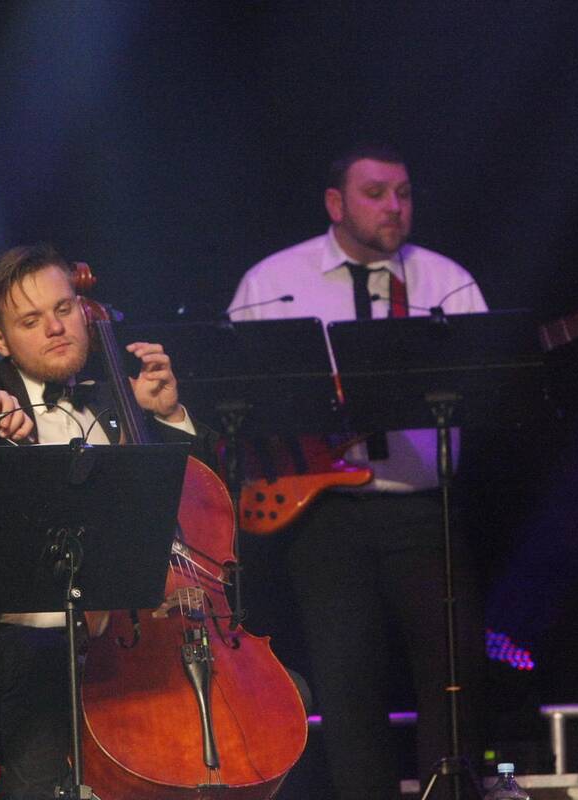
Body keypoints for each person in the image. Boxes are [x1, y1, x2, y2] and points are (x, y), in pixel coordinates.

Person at [0, 244, 216, 799]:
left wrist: (168, 418)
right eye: (30, 320)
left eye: (64, 309)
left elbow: (200, 511)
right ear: (1, 340)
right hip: (0, 651)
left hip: (114, 644)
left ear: (84, 312)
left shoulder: (119, 400)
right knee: (44, 666)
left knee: (249, 695)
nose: (55, 329)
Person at [229, 144, 488, 797]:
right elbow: (235, 404)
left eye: (404, 193)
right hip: (321, 516)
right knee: (347, 687)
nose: (394, 207)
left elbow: (487, 386)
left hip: (421, 508)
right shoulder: (271, 282)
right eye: (375, 193)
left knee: (452, 674)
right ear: (335, 203)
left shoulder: (445, 282)